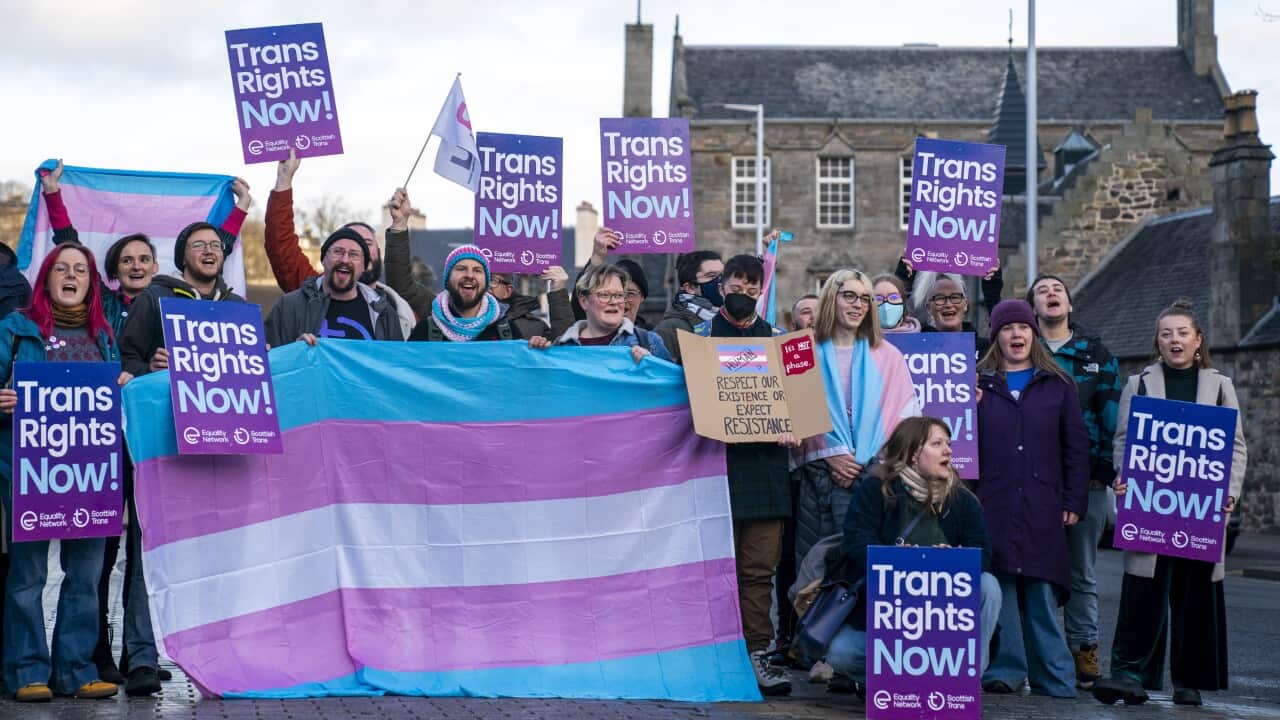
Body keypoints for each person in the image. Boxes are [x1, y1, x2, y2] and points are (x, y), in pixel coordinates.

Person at [1092, 301, 1247, 708]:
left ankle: (1189, 680)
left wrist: (1229, 491)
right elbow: (1123, 440)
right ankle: (1131, 675)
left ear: (1198, 341)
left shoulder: (1220, 386)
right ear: (1157, 342)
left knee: (1195, 594)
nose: (1174, 340)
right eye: (1166, 334)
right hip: (1152, 506)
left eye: (1182, 333)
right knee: (1144, 591)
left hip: (1200, 509)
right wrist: (1126, 478)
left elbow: (1235, 447)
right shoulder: (1139, 383)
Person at [0, 243, 130, 702]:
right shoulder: (15, 330)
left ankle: (75, 670)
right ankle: (25, 672)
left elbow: (115, 402)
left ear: (91, 282)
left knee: (86, 575)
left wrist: (125, 386)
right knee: (28, 576)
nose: (71, 275)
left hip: (90, 476)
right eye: (62, 269)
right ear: (47, 278)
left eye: (81, 269)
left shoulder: (104, 337)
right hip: (31, 475)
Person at [825, 417, 1002, 685]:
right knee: (840, 653)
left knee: (988, 586)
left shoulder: (963, 499)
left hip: (946, 622)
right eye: (937, 443)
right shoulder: (876, 489)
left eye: (949, 444)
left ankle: (961, 680)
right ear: (912, 452)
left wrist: (957, 558)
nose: (948, 451)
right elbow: (856, 543)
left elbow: (983, 554)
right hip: (889, 620)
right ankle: (898, 680)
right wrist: (894, 560)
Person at [973, 299, 1089, 698]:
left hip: (1043, 502)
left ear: (1033, 334)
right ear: (997, 336)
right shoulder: (979, 385)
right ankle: (1004, 670)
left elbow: (1075, 447)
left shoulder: (1057, 385)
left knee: (1041, 590)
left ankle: (1054, 676)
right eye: (1007, 328)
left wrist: (1074, 499)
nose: (1016, 334)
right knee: (1001, 587)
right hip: (994, 499)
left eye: (1023, 327)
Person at [706, 255, 801, 695]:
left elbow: (803, 411)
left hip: (764, 474)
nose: (742, 291)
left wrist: (794, 425)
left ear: (760, 290)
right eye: (735, 283)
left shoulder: (786, 344)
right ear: (722, 286)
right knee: (712, 568)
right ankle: (715, 654)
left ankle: (758, 652)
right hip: (712, 471)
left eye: (751, 285)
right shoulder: (698, 339)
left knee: (758, 570)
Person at [1027, 274, 1122, 688]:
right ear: (1033, 307)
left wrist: (1103, 471)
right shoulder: (1023, 350)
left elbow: (1111, 415)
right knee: (1040, 569)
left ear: (1070, 304)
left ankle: (1084, 649)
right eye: (1042, 290)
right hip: (1035, 480)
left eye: (1058, 289)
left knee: (1082, 571)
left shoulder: (1096, 353)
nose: (1051, 293)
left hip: (1087, 481)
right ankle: (1046, 653)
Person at [791, 269, 920, 567]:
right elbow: (794, 414)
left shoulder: (889, 356)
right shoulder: (800, 350)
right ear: (831, 299)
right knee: (820, 571)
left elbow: (906, 420)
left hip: (875, 479)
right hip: (819, 479)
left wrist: (868, 462)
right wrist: (831, 453)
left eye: (864, 299)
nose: (858, 304)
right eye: (849, 296)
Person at [264, 151, 414, 337]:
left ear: (373, 255)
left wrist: (399, 225)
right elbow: (281, 247)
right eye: (339, 250)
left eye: (363, 246)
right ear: (325, 258)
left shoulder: (393, 309)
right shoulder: (307, 295)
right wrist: (284, 180)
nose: (346, 258)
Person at [118, 213, 249, 377]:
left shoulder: (238, 306)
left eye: (216, 245)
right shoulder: (153, 299)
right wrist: (149, 370)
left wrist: (259, 355)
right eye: (199, 245)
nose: (209, 251)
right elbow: (125, 359)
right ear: (183, 259)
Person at [265, 227, 406, 346]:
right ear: (323, 260)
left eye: (354, 255)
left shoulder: (383, 313)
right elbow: (266, 362)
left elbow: (397, 367)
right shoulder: (289, 307)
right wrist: (294, 353)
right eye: (338, 252)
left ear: (363, 266)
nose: (345, 260)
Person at [529, 264, 670, 362]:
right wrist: (537, 356)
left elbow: (676, 393)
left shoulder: (650, 342)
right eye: (604, 295)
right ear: (584, 301)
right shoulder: (561, 347)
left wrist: (652, 368)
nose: (614, 302)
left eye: (619, 295)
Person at [407, 245, 522, 342]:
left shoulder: (507, 332)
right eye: (461, 269)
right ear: (447, 279)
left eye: (477, 270)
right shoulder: (424, 331)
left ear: (486, 282)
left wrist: (538, 347)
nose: (470, 275)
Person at [652, 250, 724, 364]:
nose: (721, 282)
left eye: (723, 275)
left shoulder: (732, 320)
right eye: (711, 276)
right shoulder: (668, 330)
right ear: (690, 287)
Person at [919, 273, 992, 357]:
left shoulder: (986, 350)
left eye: (955, 297)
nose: (948, 304)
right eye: (940, 298)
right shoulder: (918, 351)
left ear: (965, 304)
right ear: (929, 308)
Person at [490, 268, 573, 341]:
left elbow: (563, 349)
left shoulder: (533, 329)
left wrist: (558, 290)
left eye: (492, 280)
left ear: (507, 291)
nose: (485, 286)